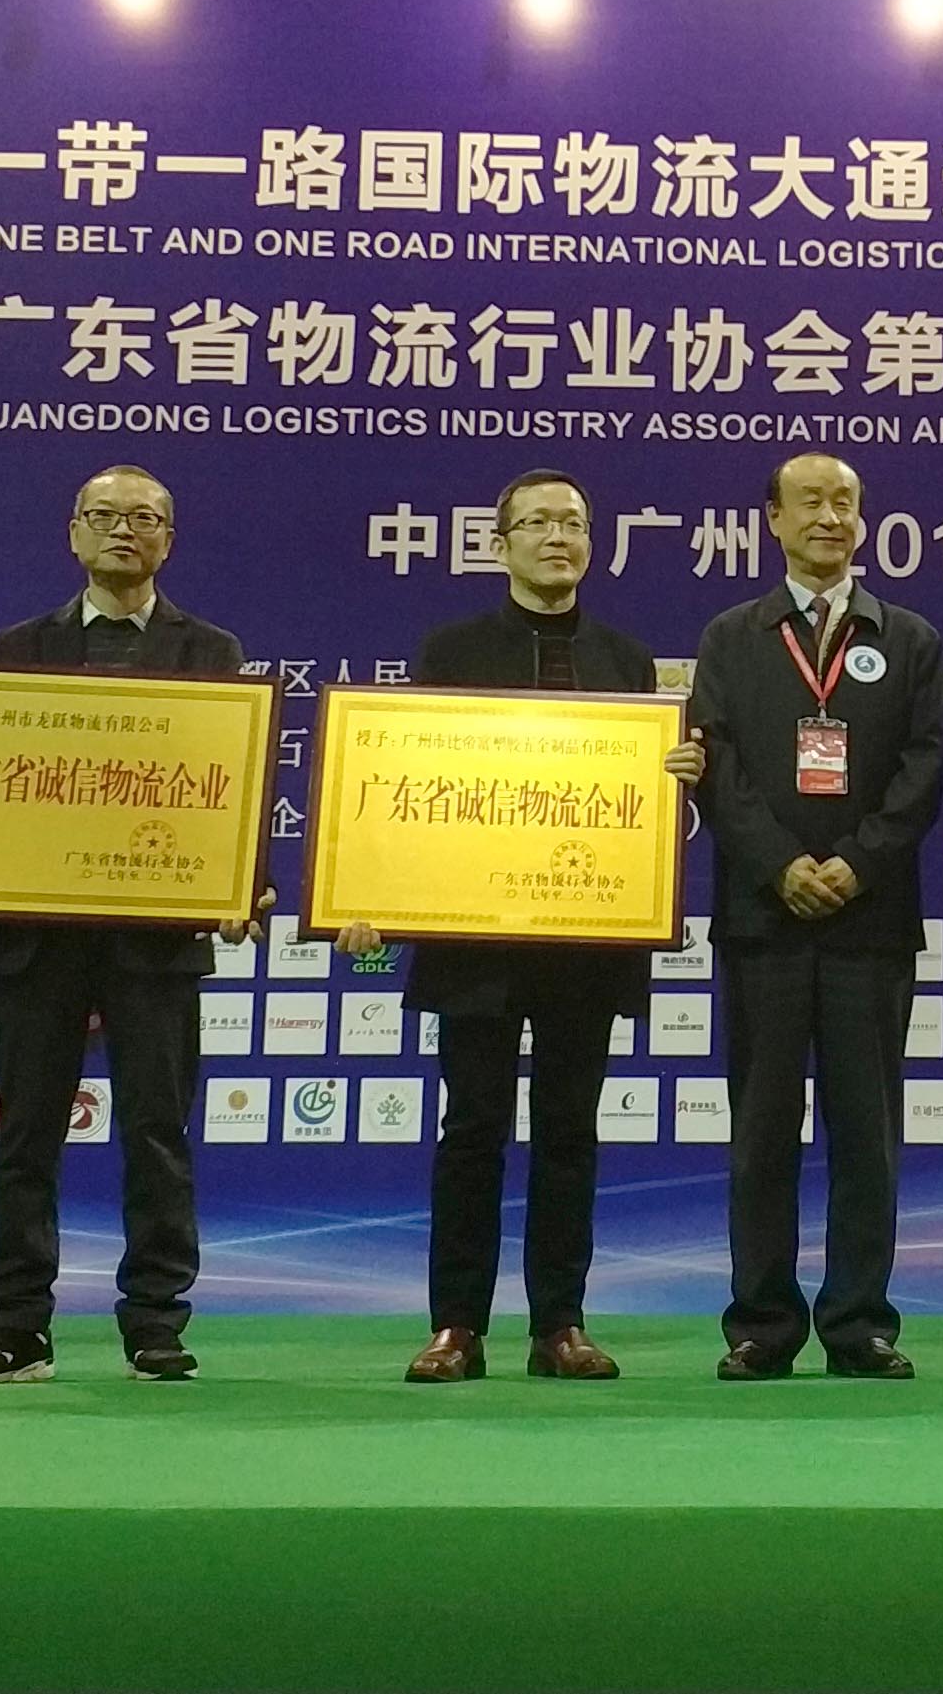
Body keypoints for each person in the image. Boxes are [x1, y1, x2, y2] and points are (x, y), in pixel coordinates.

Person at [333, 469, 704, 1383]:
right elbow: (408, 786)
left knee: (570, 1133)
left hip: (586, 939)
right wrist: (366, 892)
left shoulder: (628, 661)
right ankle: (456, 1324)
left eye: (573, 522)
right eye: (536, 522)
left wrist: (677, 778)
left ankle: (559, 1325)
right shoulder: (452, 650)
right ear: (499, 545)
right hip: (477, 942)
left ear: (592, 543)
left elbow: (645, 805)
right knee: (472, 1130)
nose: (557, 537)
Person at [0, 464, 258, 1385]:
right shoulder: (18, 647)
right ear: (73, 532)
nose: (124, 530)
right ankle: (16, 1326)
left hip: (155, 939)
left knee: (156, 1135)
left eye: (145, 517)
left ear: (169, 538)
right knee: (25, 1136)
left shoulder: (210, 652)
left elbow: (225, 786)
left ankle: (155, 1324)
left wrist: (238, 880)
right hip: (37, 938)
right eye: (105, 515)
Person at [687, 451, 943, 1380]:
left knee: (866, 1135)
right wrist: (781, 865)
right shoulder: (732, 636)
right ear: (773, 520)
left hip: (869, 924)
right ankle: (760, 1323)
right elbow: (716, 766)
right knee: (761, 1131)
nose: (830, 517)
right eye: (811, 502)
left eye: (845, 502)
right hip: (762, 918)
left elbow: (923, 771)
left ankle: (860, 1322)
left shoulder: (908, 637)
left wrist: (855, 864)